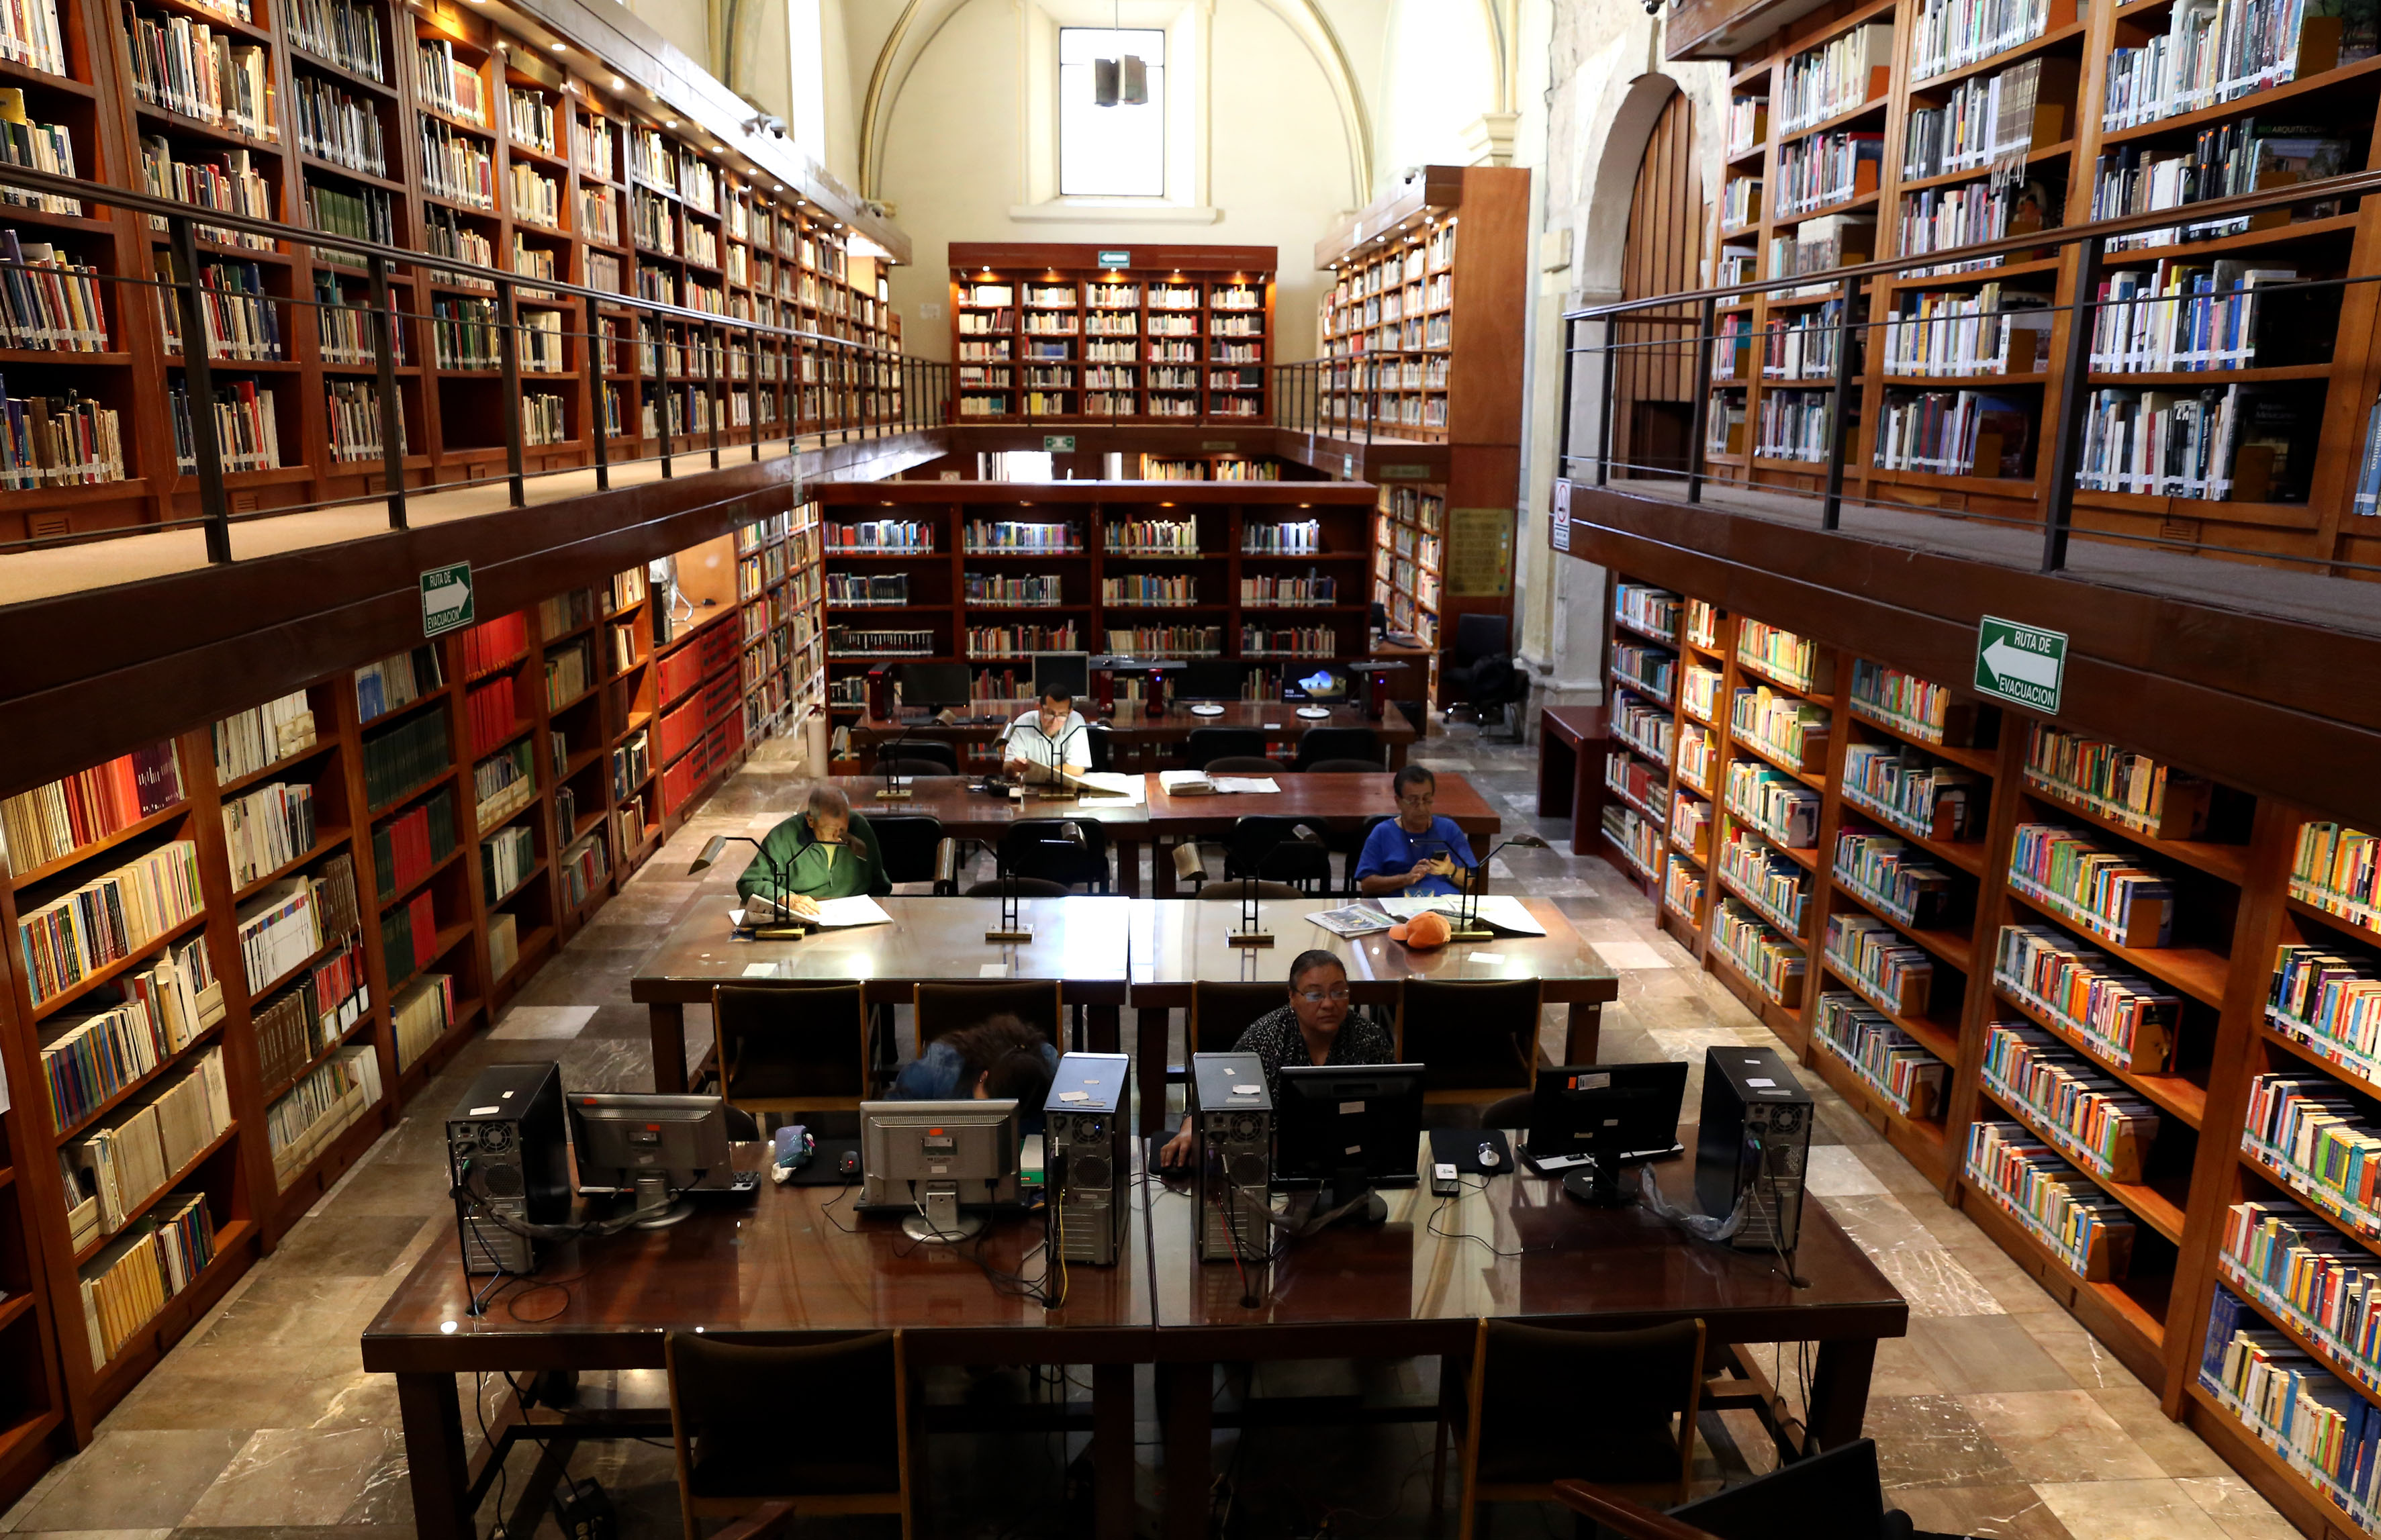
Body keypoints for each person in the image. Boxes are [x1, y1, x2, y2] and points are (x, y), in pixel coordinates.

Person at [1157, 951, 1393, 1169]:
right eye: (1315, 995)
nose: (1329, 1004)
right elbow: (1215, 1091)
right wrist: (1189, 1130)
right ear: (1292, 997)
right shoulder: (1266, 1037)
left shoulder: (1369, 1039)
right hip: (1271, 1163)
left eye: (1339, 992)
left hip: (1355, 1161)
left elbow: (1394, 1109)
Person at [737, 784, 890, 919]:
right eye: (830, 830)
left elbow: (879, 882)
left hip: (856, 916)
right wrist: (784, 898)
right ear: (810, 821)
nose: (838, 837)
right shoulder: (782, 837)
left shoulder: (859, 828)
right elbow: (749, 883)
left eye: (843, 829)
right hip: (805, 916)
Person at [890, 1014, 1060, 1131]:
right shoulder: (932, 1074)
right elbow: (888, 1122)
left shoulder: (1048, 1073)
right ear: (983, 1077)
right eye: (993, 1112)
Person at [1353, 765, 1478, 898]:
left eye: (1427, 799)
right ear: (1398, 801)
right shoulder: (1382, 833)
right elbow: (1367, 885)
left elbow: (1469, 880)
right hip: (1398, 905)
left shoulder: (1449, 829)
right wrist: (1405, 879)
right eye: (1413, 801)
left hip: (1442, 906)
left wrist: (1451, 870)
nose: (1421, 807)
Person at [1001, 686, 1091, 785]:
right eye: (1050, 713)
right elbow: (1008, 768)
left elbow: (1076, 769)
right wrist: (1014, 768)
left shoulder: (1076, 720)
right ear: (1039, 708)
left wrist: (1034, 772)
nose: (1054, 721)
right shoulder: (1023, 723)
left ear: (1070, 713)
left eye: (1062, 715)